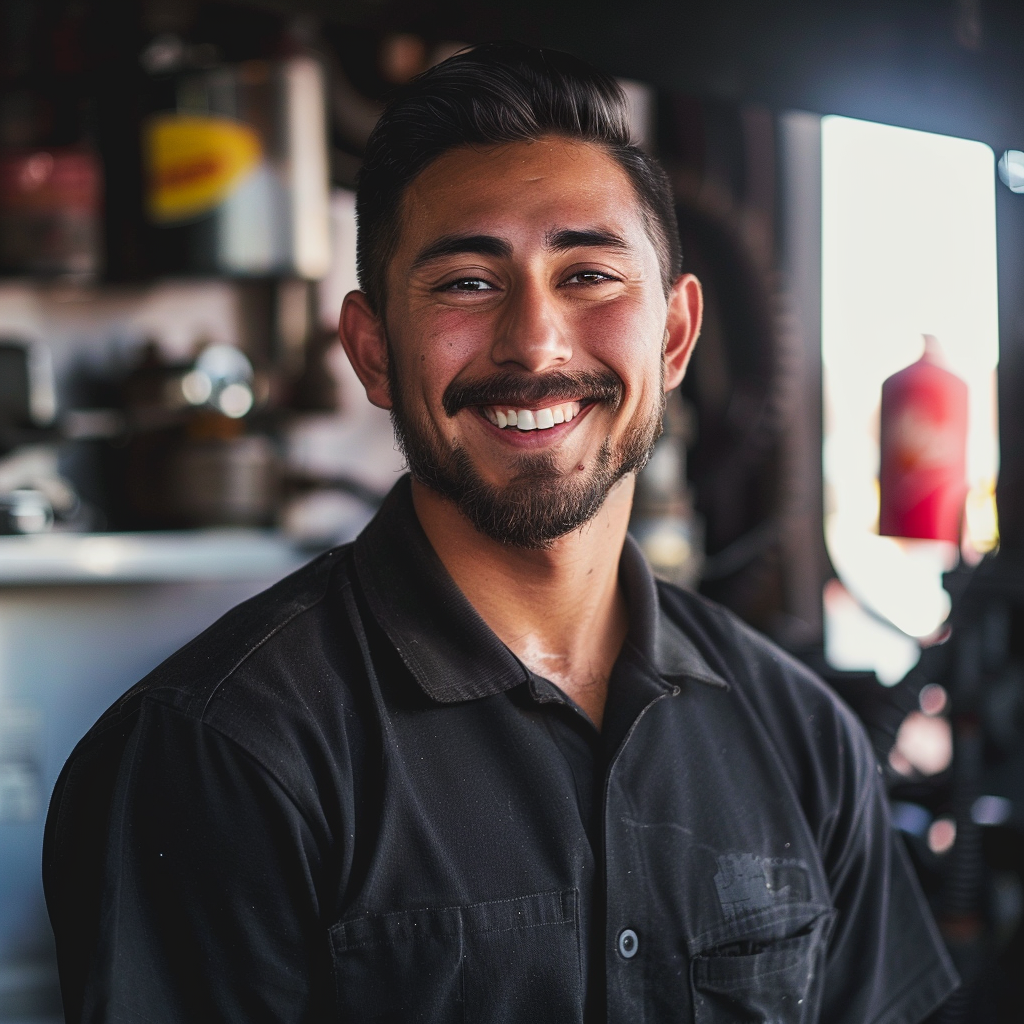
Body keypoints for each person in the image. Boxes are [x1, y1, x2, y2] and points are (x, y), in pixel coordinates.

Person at [44, 42, 957, 1024]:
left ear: (675, 336)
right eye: (467, 283)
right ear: (373, 351)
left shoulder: (801, 738)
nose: (534, 341)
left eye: (590, 274)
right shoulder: (224, 753)